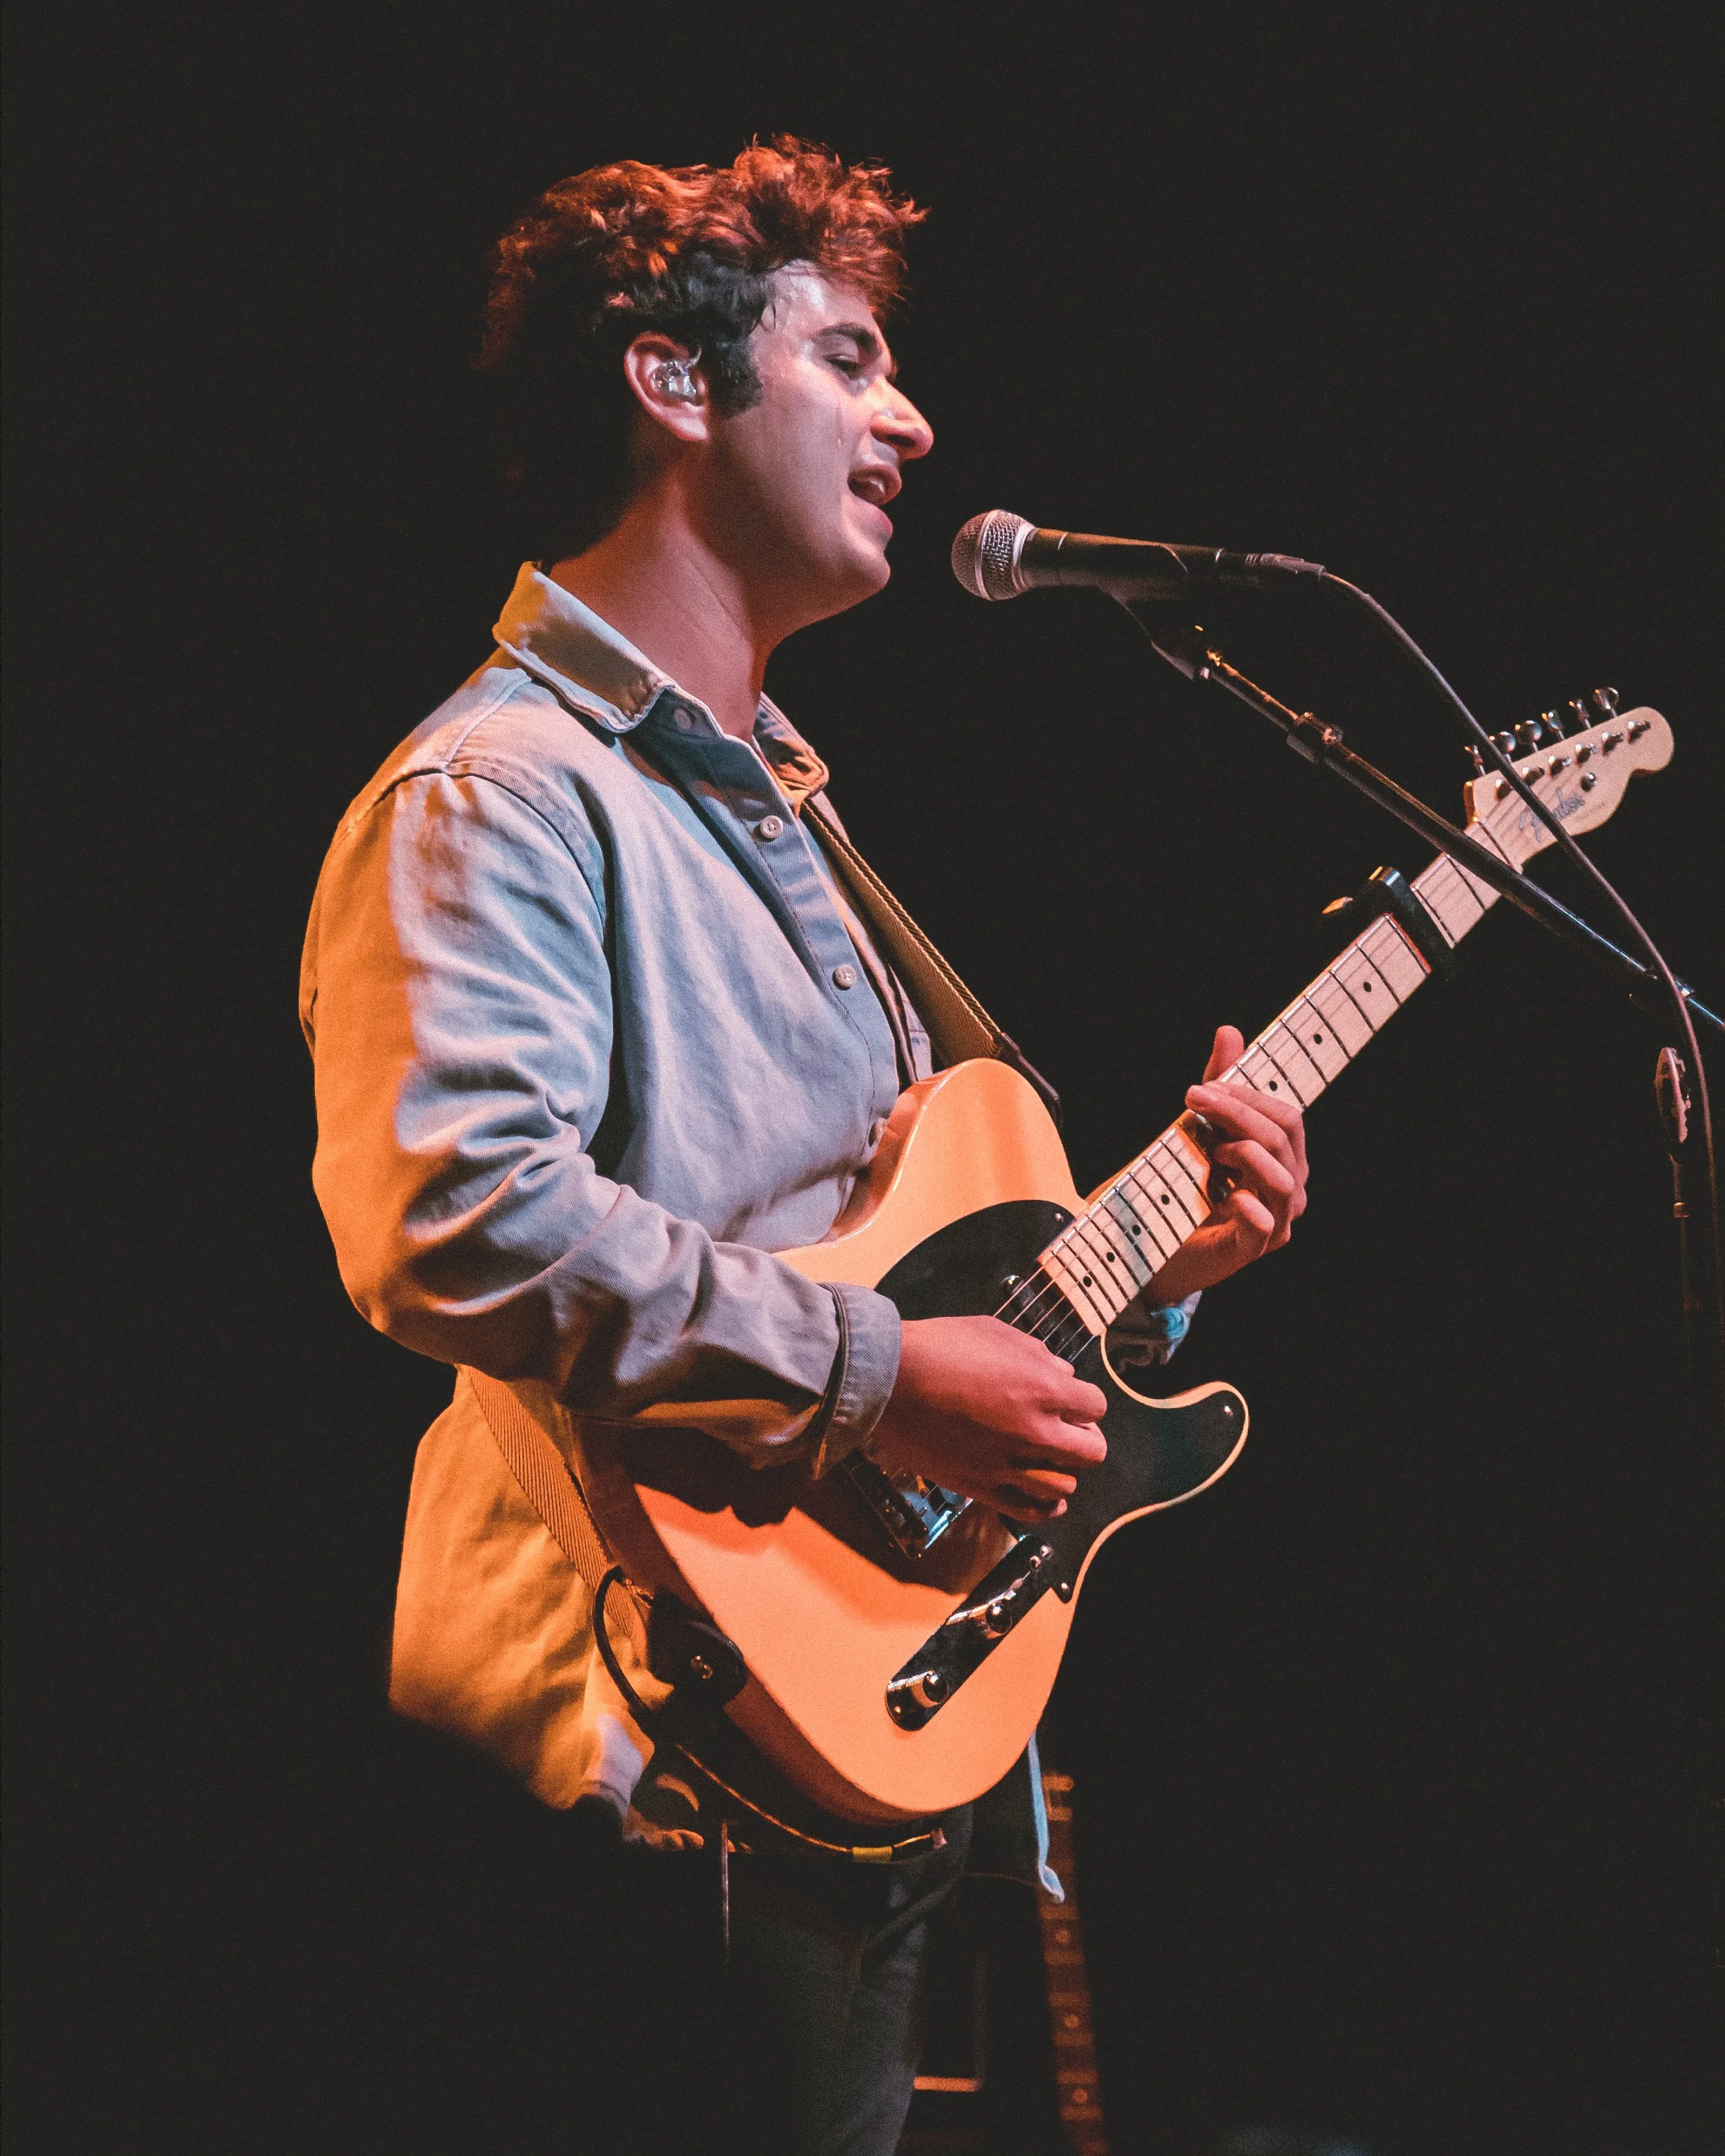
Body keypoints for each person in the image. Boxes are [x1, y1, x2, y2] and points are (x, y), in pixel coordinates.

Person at [300, 138, 1309, 2155]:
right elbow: (453, 1216)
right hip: (644, 1781)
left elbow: (877, 1250)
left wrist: (1139, 1269)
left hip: (851, 1763)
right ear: (670, 386)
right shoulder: (497, 793)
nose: (910, 415)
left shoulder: (782, 820)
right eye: (844, 357)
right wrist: (882, 1377)